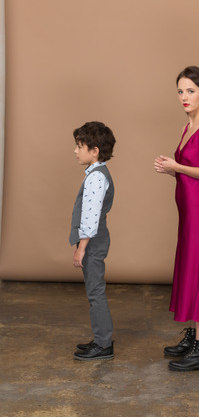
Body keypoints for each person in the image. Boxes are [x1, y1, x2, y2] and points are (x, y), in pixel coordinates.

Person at [154, 66, 199, 371]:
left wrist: (177, 168)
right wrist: (173, 169)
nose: (184, 97)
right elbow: (189, 172)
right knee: (191, 268)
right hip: (189, 210)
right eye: (180, 91)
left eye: (190, 91)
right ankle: (194, 337)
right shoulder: (189, 126)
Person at [69, 121, 116, 361]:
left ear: (94, 150)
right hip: (96, 240)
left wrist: (81, 248)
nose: (76, 151)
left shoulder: (96, 178)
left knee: (95, 292)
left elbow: (90, 216)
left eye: (80, 146)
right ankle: (101, 339)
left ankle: (104, 345)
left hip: (93, 243)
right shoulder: (97, 174)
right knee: (94, 291)